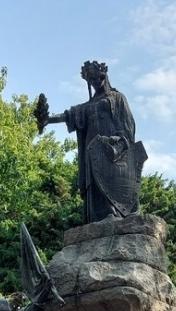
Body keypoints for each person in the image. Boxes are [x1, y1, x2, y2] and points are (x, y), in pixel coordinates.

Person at [35, 61, 147, 224]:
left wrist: (119, 141)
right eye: (90, 80)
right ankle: (99, 218)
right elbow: (69, 115)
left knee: (111, 177)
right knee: (95, 179)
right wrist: (47, 119)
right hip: (92, 148)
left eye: (96, 78)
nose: (94, 82)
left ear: (103, 75)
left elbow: (128, 124)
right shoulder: (87, 106)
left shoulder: (117, 98)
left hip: (112, 146)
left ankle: (117, 213)